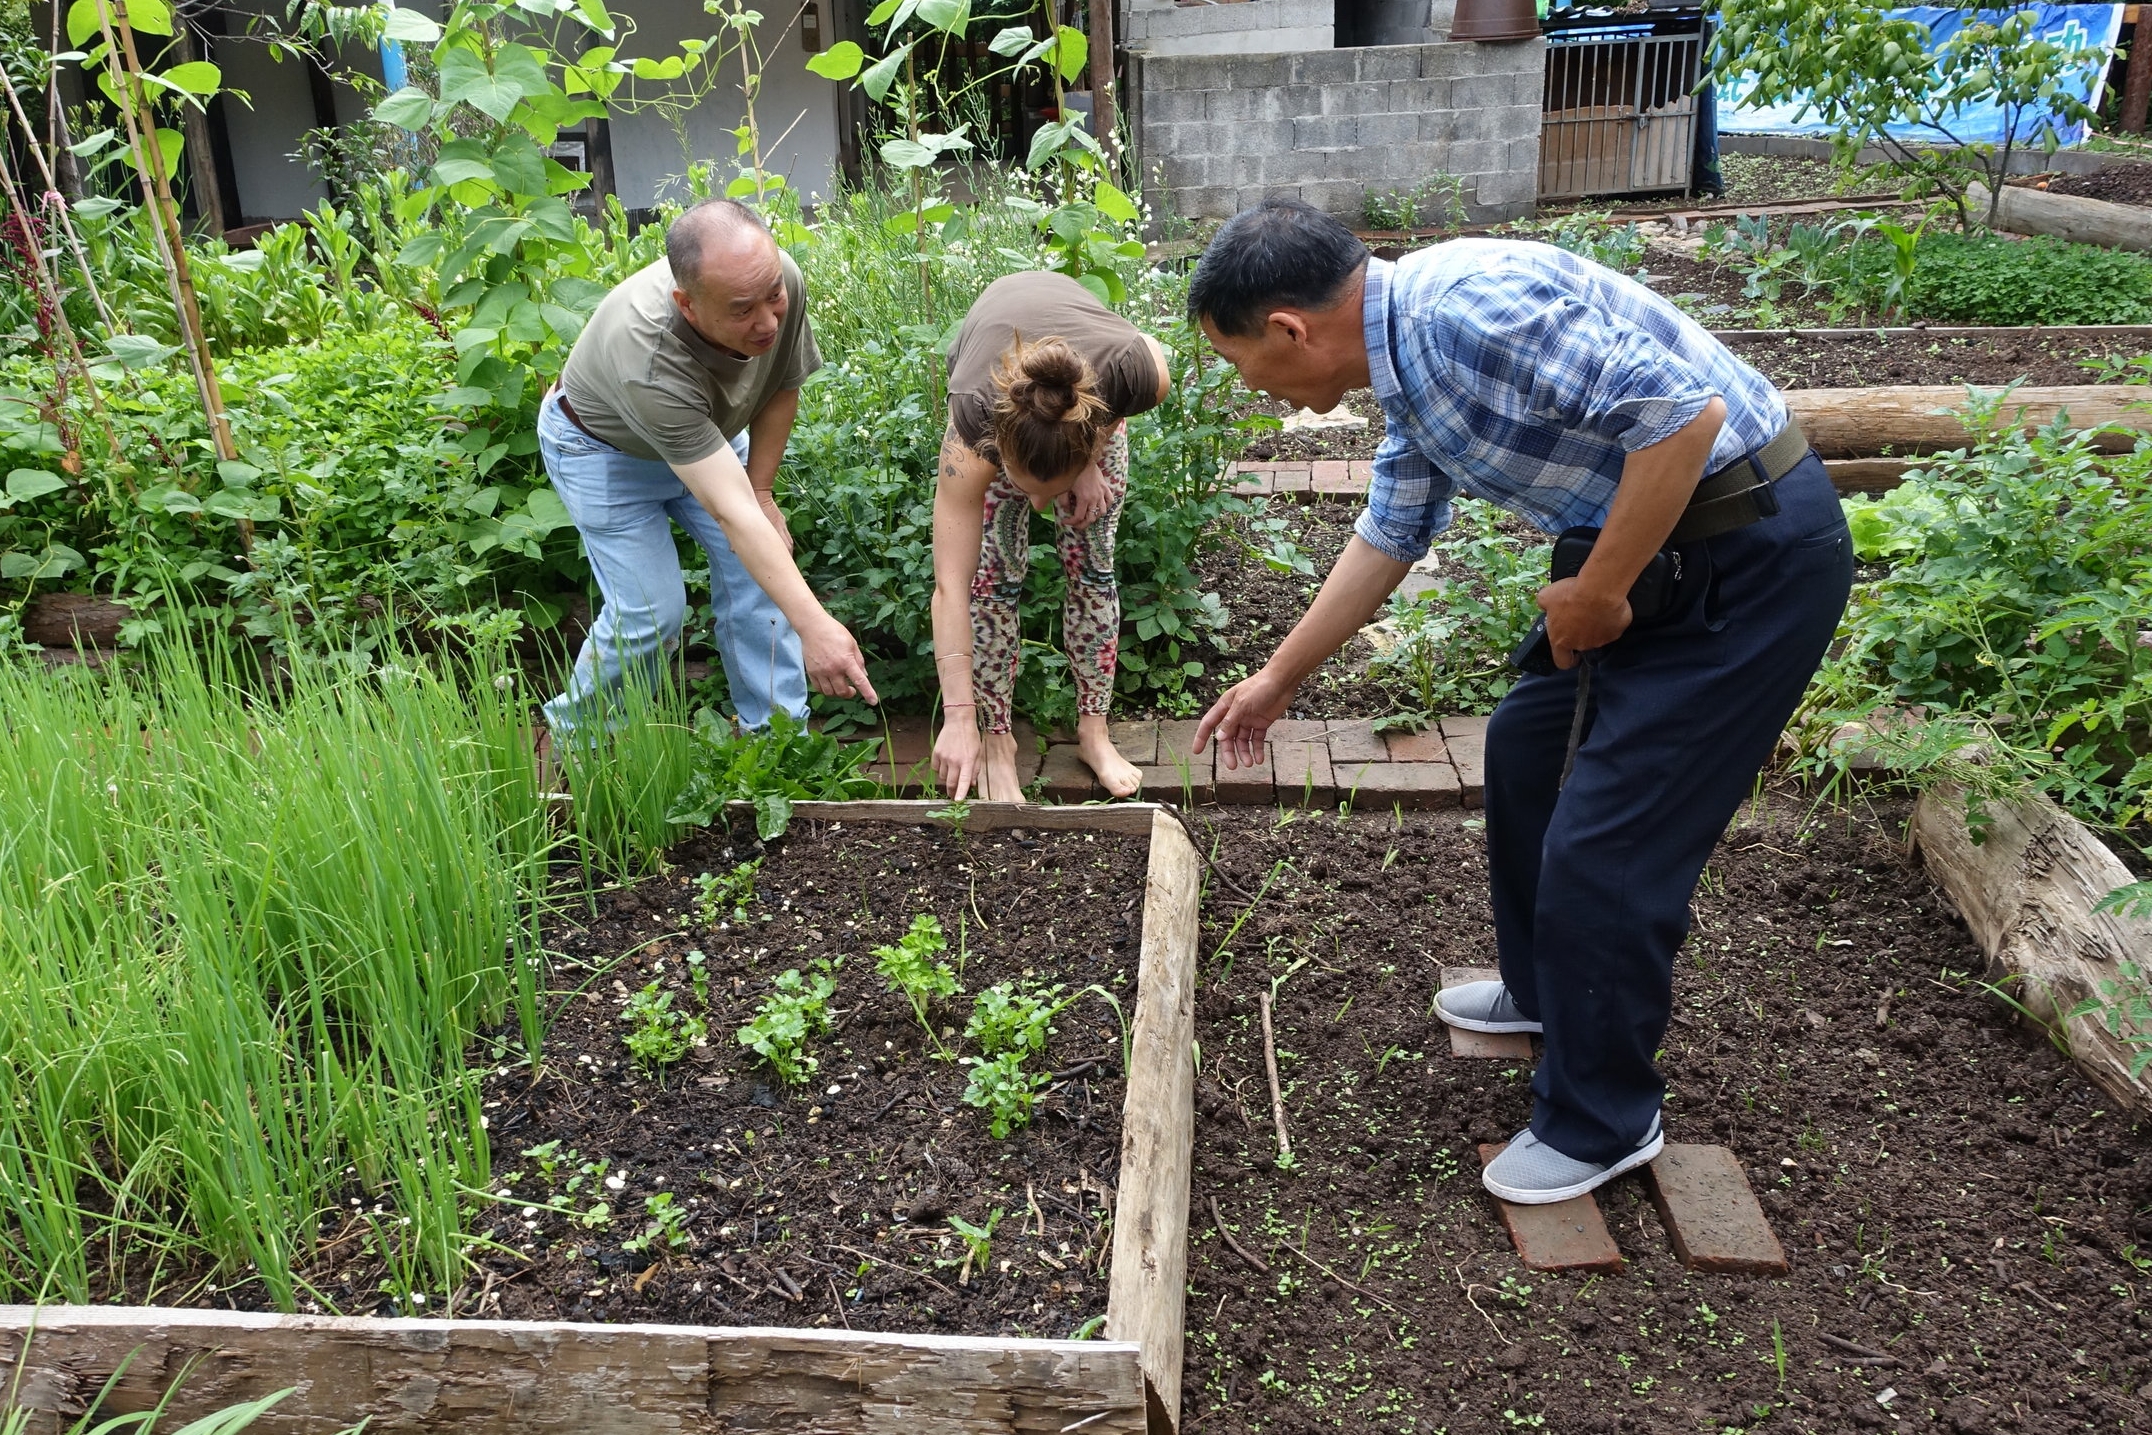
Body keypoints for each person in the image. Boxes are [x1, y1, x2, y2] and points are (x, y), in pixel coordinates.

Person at [1187, 199, 1852, 1205]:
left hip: (1748, 557)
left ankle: (1602, 1120)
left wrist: (1596, 592)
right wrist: (1278, 680)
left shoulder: (1462, 315)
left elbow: (1684, 417)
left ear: (1289, 329)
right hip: (1664, 556)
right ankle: (1548, 995)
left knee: (1609, 846)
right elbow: (1389, 535)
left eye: (1238, 361)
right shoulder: (1405, 357)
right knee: (1525, 745)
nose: (1246, 383)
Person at [537, 197, 875, 749]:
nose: (767, 320)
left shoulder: (774, 278)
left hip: (706, 438)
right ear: (687, 306)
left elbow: (780, 386)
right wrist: (818, 628)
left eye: (773, 298)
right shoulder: (648, 352)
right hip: (602, 452)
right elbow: (732, 512)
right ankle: (586, 738)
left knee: (762, 576)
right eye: (743, 310)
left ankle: (776, 741)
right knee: (650, 614)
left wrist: (763, 491)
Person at [928, 270, 1172, 802]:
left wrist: (1089, 456)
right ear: (999, 457)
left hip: (1086, 406)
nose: (1040, 506)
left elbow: (1157, 357)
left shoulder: (1133, 372)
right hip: (1002, 405)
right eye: (1026, 488)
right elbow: (950, 584)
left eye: (1049, 491)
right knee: (989, 585)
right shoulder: (974, 432)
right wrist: (959, 717)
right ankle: (996, 742)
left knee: (1093, 569)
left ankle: (1094, 733)